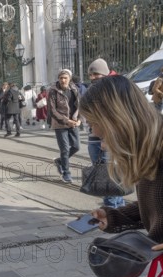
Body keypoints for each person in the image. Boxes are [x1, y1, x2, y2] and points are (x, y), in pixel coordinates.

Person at [84, 75, 163, 248]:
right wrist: (114, 217)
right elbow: (156, 204)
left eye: (93, 123)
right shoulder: (147, 148)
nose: (94, 132)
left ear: (117, 120)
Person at [86, 58, 125, 208]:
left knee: (109, 177)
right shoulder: (96, 88)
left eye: (96, 74)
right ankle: (118, 208)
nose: (93, 77)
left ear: (104, 73)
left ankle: (111, 210)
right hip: (94, 137)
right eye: (91, 74)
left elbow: (116, 116)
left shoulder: (113, 88)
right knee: (104, 175)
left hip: (109, 139)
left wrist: (107, 138)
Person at [49, 69, 81, 183]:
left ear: (69, 79)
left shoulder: (74, 89)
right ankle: (66, 173)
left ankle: (60, 161)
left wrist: (79, 119)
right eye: (61, 78)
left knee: (76, 146)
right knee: (65, 149)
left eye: (65, 78)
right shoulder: (53, 91)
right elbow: (52, 111)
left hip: (73, 123)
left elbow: (79, 105)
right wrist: (66, 121)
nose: (63, 80)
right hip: (60, 124)